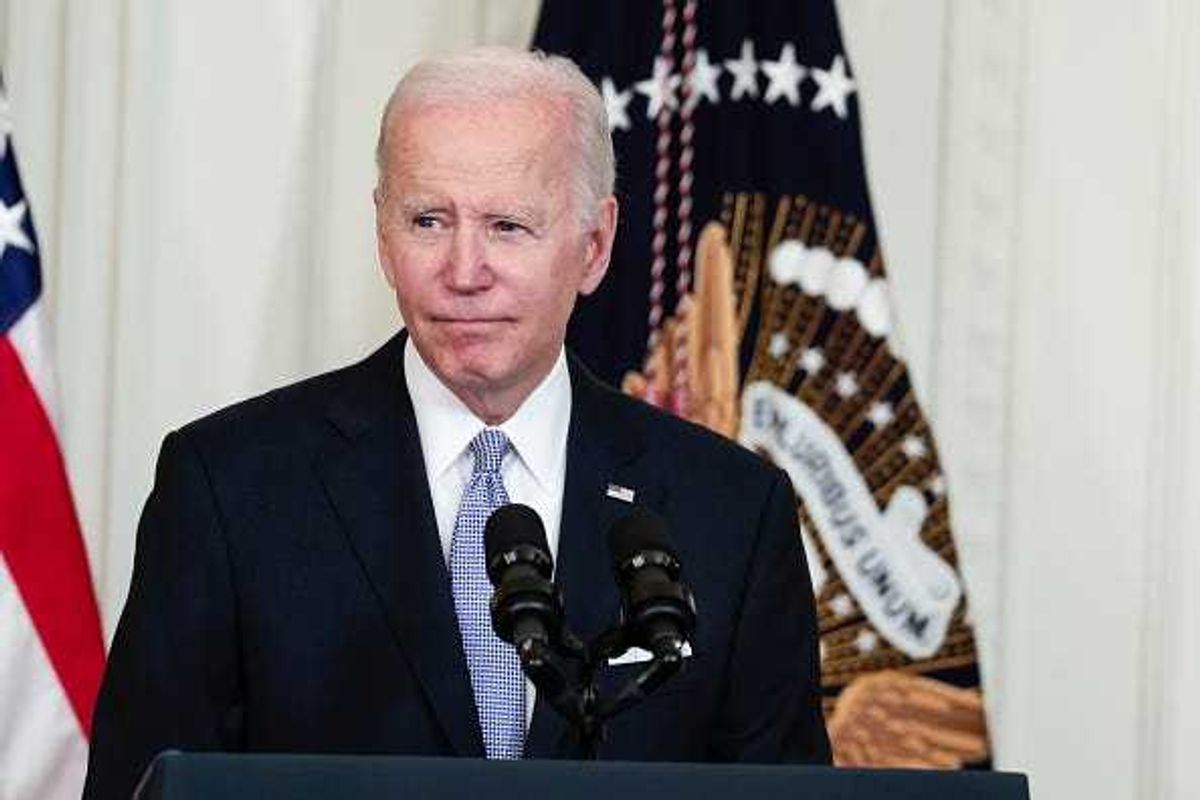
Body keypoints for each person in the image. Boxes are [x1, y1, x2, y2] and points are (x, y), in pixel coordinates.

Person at [83, 47, 830, 799]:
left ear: (595, 246)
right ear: (383, 233)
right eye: (428, 220)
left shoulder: (730, 512)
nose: (464, 270)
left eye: (507, 226)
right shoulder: (230, 489)